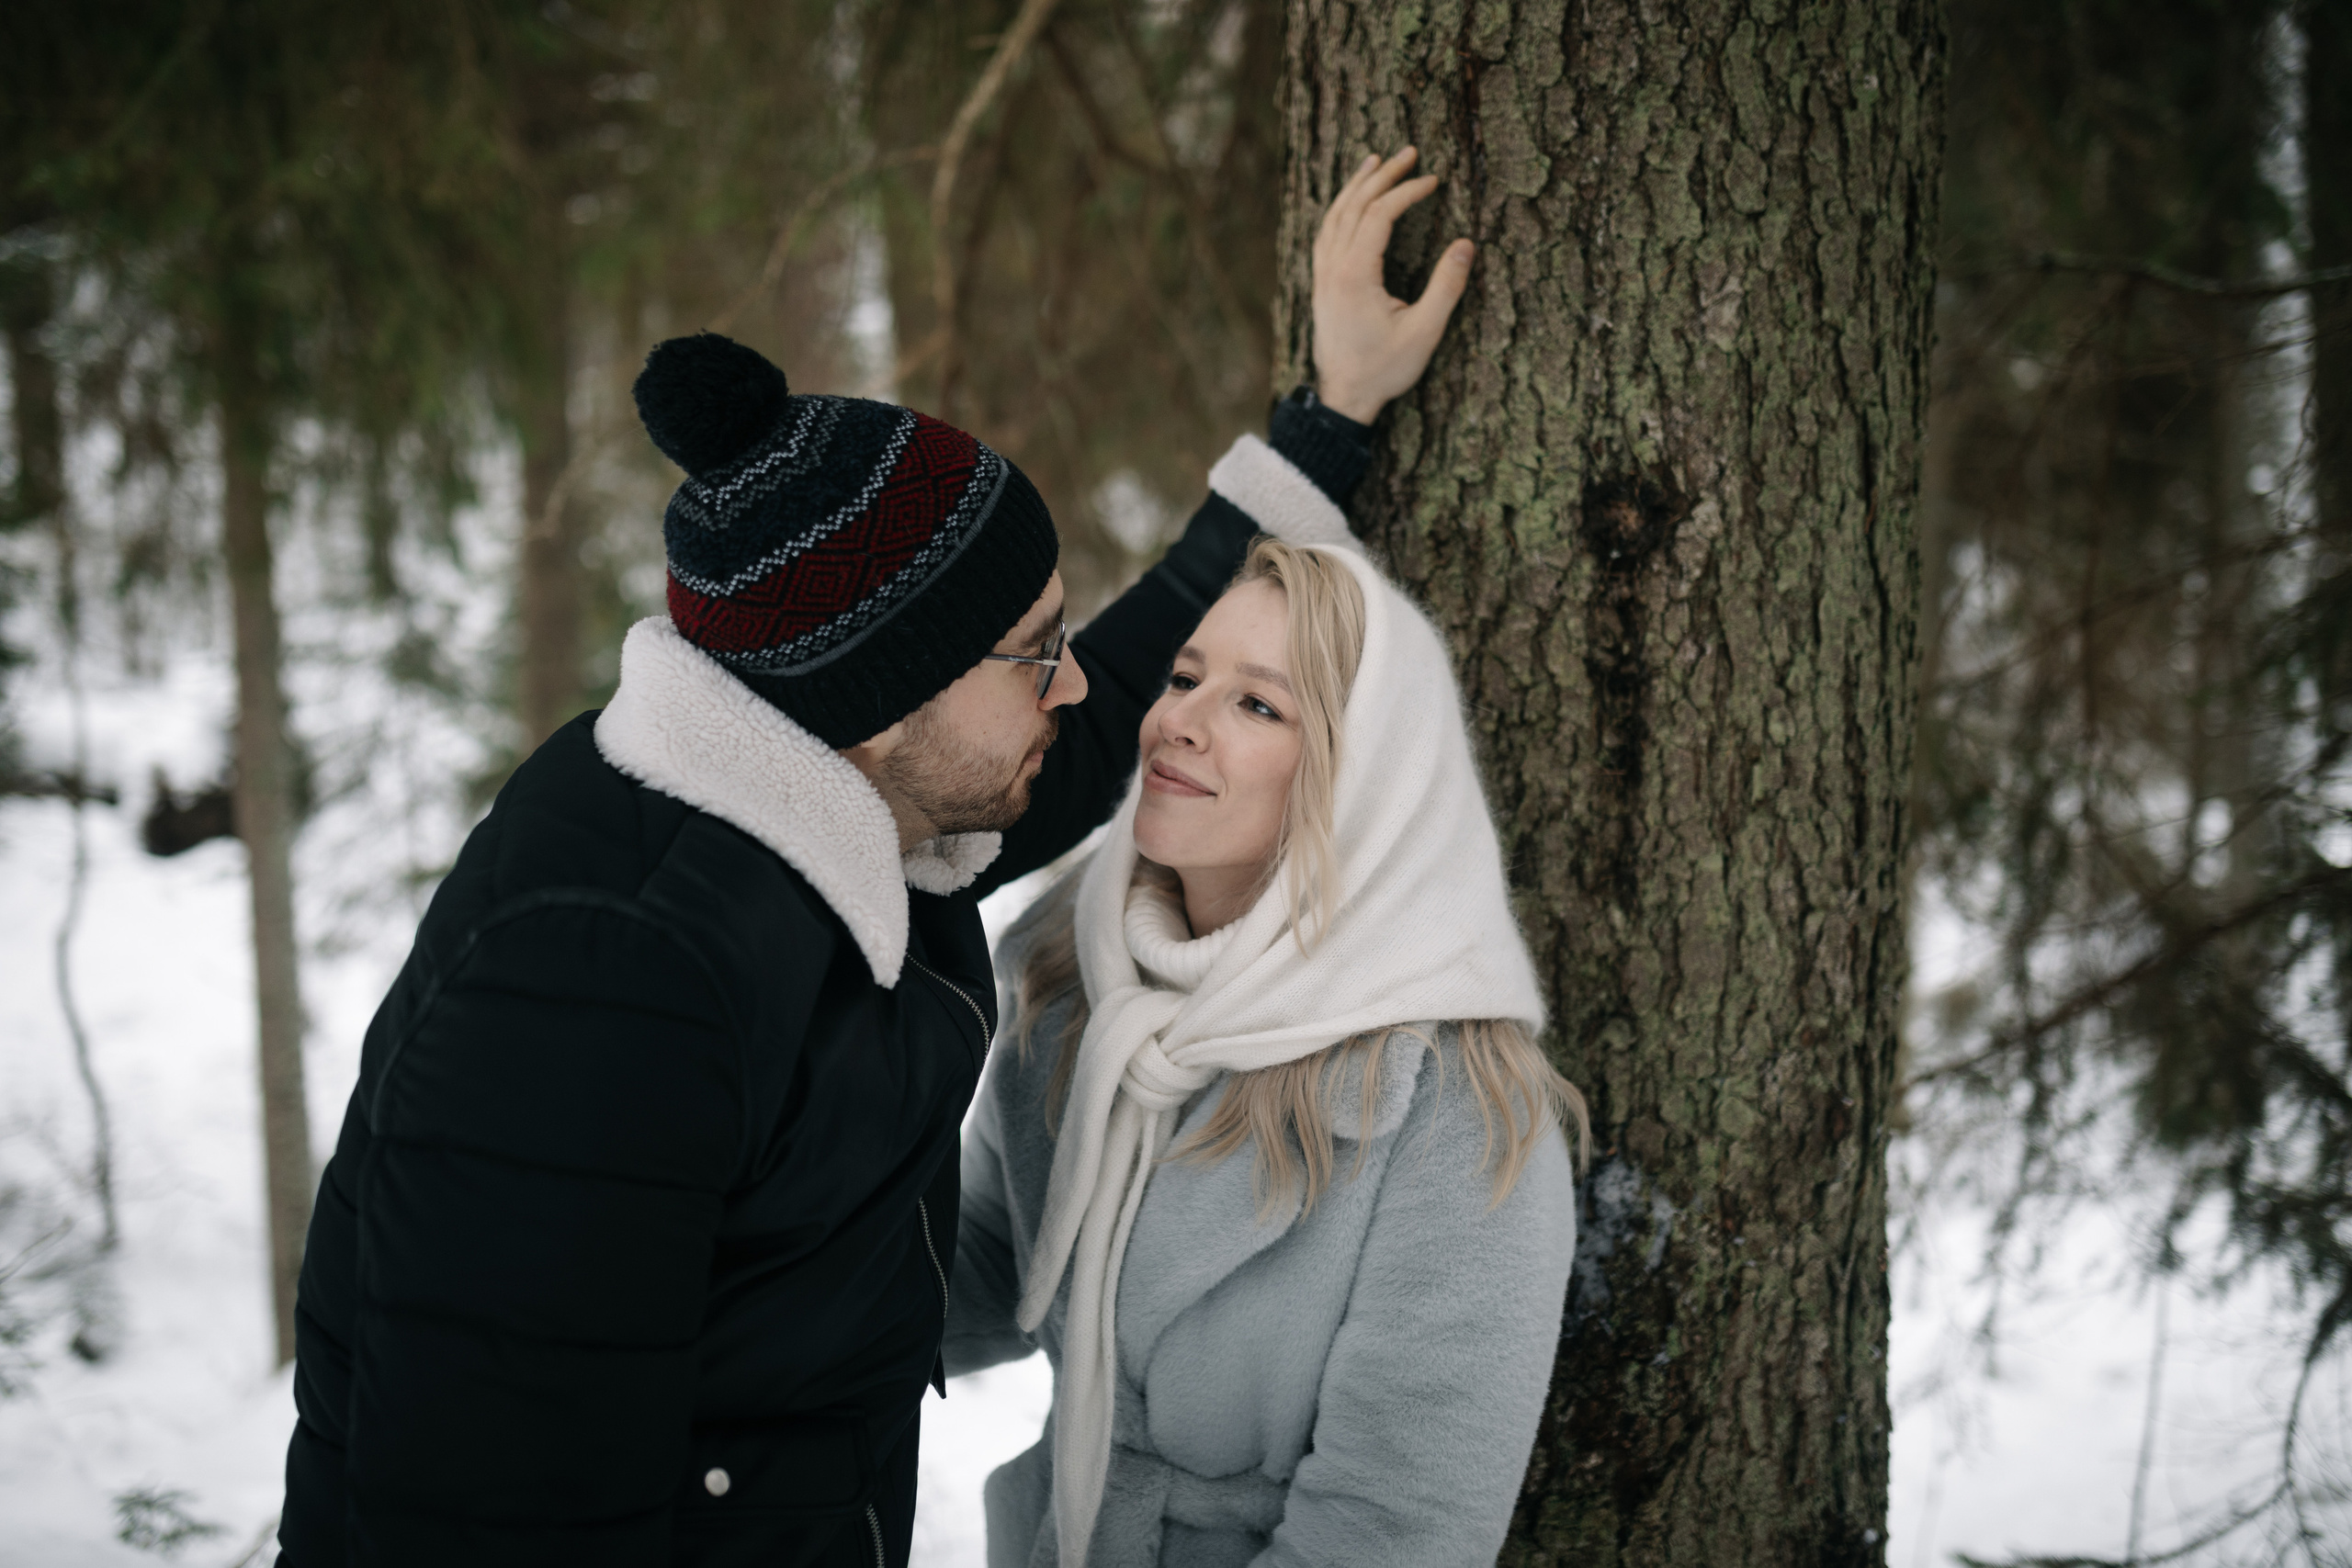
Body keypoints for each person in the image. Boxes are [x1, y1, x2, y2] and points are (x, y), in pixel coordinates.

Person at [275, 148, 1473, 1567]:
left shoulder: (847, 788)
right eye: (1035, 652)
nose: (1076, 687)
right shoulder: (603, 981)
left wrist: (1328, 422)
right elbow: (488, 1507)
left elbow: (1092, 729)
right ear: (885, 691)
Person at [942, 535, 1591, 1561]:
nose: (1177, 724)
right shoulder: (1073, 972)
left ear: (1358, 776)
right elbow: (986, 1256)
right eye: (1185, 677)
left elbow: (1393, 1531)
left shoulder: (1454, 1111)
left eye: (1257, 705)